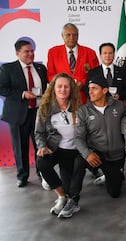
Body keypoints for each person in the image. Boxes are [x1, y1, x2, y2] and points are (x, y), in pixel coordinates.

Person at [35, 73, 85, 218]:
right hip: (55, 149)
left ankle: (70, 197)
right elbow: (39, 133)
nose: (63, 89)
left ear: (71, 89)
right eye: (59, 86)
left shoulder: (78, 107)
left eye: (66, 86)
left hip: (74, 151)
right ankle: (61, 197)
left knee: (71, 188)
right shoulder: (45, 108)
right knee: (42, 163)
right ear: (53, 88)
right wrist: (42, 146)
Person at [0, 39, 47, 187]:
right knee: (20, 147)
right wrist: (22, 94)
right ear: (17, 53)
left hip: (38, 113)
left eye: (32, 50)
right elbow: (2, 88)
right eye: (26, 51)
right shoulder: (7, 68)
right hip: (18, 114)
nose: (30, 54)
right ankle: (22, 176)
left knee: (40, 145)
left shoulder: (40, 68)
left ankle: (43, 174)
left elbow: (46, 88)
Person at [75, 75, 126, 198]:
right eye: (89, 88)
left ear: (104, 90)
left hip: (116, 155)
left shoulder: (119, 106)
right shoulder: (83, 111)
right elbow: (78, 137)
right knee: (78, 161)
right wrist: (87, 153)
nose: (90, 92)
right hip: (96, 153)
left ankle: (107, 175)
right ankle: (72, 197)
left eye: (94, 88)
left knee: (115, 193)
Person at [47, 23, 99, 103]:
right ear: (62, 36)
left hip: (84, 98)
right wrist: (63, 85)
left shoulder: (89, 52)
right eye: (68, 35)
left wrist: (82, 83)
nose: (72, 38)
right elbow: (50, 75)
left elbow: (96, 75)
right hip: (62, 98)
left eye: (74, 35)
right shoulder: (53, 52)